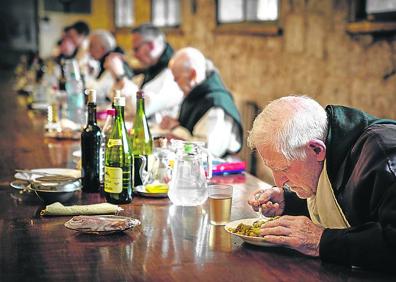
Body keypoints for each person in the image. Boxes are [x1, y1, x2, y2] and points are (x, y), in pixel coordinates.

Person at [247, 96, 396, 271]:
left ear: (317, 149)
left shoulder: (384, 156)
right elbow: (344, 200)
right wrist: (289, 201)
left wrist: (321, 241)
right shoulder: (333, 145)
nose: (278, 182)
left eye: (284, 168)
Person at [159, 47, 243, 158]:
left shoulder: (216, 103)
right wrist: (174, 123)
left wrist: (175, 128)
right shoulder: (195, 93)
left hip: (217, 169)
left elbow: (205, 151)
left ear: (193, 75)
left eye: (177, 78)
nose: (175, 83)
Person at [106, 23, 183, 120]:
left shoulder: (171, 75)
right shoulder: (151, 69)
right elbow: (119, 101)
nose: (134, 55)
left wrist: (120, 76)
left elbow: (142, 110)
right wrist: (115, 75)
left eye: (136, 49)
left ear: (151, 46)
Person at [86, 30, 134, 105]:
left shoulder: (113, 61)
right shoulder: (101, 62)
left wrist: (86, 74)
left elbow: (98, 93)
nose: (88, 51)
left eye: (91, 46)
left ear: (102, 48)